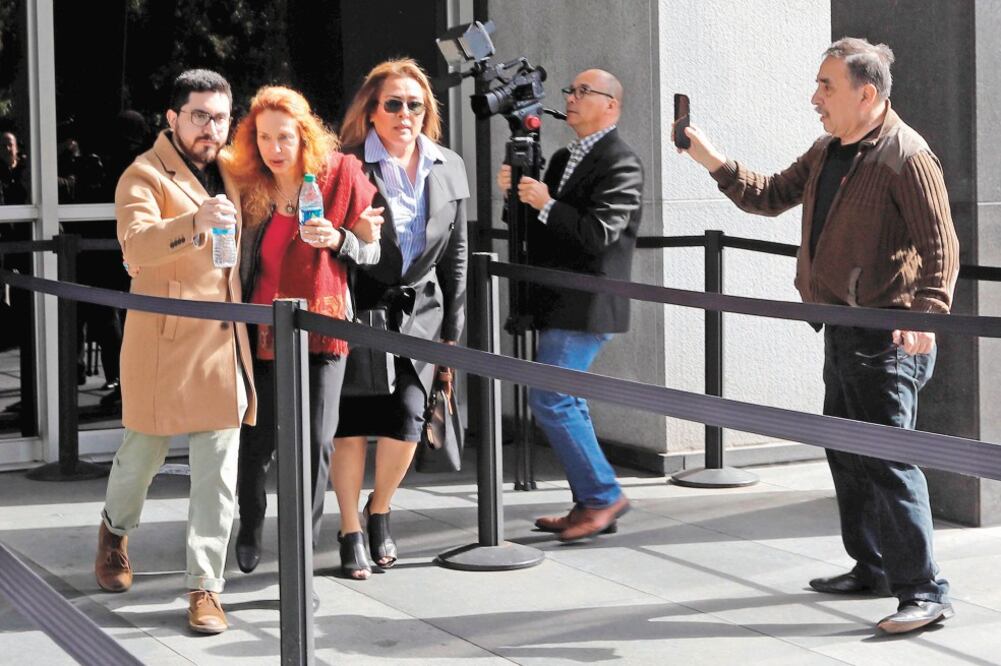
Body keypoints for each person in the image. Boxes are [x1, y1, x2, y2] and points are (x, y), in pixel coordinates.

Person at [677, 37, 959, 635]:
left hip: (886, 339)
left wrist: (925, 314)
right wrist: (709, 158)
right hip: (839, 329)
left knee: (890, 463)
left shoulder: (907, 155)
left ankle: (926, 592)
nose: (814, 98)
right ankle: (872, 566)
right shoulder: (828, 149)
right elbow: (769, 195)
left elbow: (942, 246)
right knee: (849, 457)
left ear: (868, 94)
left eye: (825, 86)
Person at [94, 69, 257, 635]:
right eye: (200, 116)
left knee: (217, 475)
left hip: (221, 344)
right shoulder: (142, 175)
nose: (212, 128)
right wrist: (194, 221)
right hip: (162, 343)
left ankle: (205, 588)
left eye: (220, 117)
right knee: (141, 457)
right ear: (173, 118)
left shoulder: (233, 171)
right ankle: (115, 530)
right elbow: (136, 244)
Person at [224, 86, 383, 580]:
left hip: (324, 332)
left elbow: (372, 252)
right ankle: (250, 524)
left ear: (303, 135)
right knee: (257, 445)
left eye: (285, 137)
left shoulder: (341, 177)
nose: (275, 148)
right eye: (264, 137)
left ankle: (300, 563)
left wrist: (340, 239)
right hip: (263, 334)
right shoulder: (247, 188)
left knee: (314, 445)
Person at [332, 58, 468, 579]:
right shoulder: (344, 163)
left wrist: (452, 339)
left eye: (415, 104)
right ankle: (349, 529)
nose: (404, 113)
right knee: (352, 429)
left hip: (423, 317)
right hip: (359, 311)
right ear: (371, 111)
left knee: (409, 422)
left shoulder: (448, 165)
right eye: (393, 103)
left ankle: (379, 509)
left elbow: (455, 259)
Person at [496, 68, 643, 542]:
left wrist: (545, 201)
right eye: (571, 91)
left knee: (551, 398)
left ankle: (603, 496)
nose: (572, 98)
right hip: (559, 300)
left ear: (611, 106)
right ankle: (589, 502)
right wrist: (516, 194)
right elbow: (540, 232)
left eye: (585, 92)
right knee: (567, 400)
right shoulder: (562, 158)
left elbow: (598, 234)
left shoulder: (622, 162)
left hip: (588, 305)